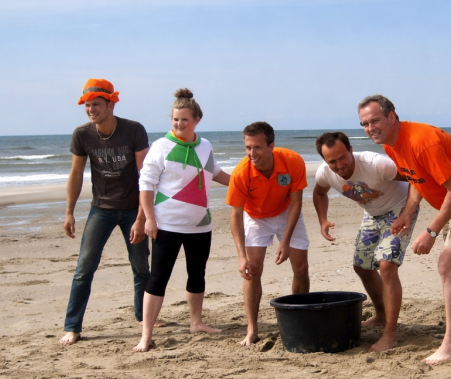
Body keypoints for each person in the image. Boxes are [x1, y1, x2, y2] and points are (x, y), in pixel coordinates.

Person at [357, 95, 451, 365]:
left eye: (375, 120)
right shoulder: (392, 145)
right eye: (364, 123)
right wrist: (407, 215)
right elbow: (417, 179)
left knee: (447, 266)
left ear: (392, 117)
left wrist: (431, 231)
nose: (370, 127)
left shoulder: (422, 141)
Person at [133, 88, 230, 353]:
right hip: (167, 225)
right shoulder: (162, 146)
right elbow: (146, 184)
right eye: (175, 119)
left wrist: (242, 185)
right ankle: (146, 334)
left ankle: (196, 322)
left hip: (200, 224)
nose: (179, 124)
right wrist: (148, 219)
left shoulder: (205, 145)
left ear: (197, 119)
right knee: (158, 278)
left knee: (197, 274)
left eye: (184, 119)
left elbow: (215, 172)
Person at [60, 78, 151, 345]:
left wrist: (142, 217)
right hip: (101, 209)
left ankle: (143, 316)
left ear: (111, 104)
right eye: (87, 106)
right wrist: (69, 212)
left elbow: (145, 175)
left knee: (141, 267)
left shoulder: (133, 130)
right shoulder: (82, 134)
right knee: (84, 269)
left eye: (96, 104)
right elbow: (76, 174)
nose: (91, 110)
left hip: (133, 208)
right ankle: (72, 326)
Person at [313, 132, 419, 351]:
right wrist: (322, 219)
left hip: (399, 207)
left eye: (343, 157)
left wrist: (407, 213)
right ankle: (381, 315)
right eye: (332, 161)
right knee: (361, 266)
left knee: (387, 265)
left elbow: (417, 178)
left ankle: (390, 334)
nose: (340, 165)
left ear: (351, 150)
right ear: (325, 161)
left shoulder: (378, 164)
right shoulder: (324, 174)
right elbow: (319, 193)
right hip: (372, 214)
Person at [226, 121, 310, 346]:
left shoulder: (292, 161)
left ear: (271, 146)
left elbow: (297, 202)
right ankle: (252, 329)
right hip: (256, 217)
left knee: (301, 268)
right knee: (252, 270)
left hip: (286, 212)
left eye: (257, 147)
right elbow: (235, 215)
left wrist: (285, 240)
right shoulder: (241, 173)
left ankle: (300, 318)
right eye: (248, 148)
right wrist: (241, 256)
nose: (252, 153)